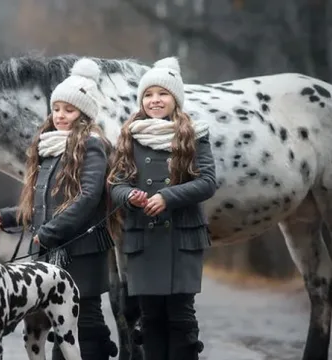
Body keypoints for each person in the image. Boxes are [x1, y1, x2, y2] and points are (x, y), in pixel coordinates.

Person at [0, 58, 118, 360]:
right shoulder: (49, 147)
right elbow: (44, 203)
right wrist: (8, 216)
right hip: (53, 247)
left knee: (84, 316)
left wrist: (51, 232)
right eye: (56, 108)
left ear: (83, 114)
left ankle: (96, 350)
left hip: (82, 248)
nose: (60, 115)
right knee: (63, 318)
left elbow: (88, 197)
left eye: (69, 110)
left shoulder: (91, 145)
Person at [107, 57, 217, 360]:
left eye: (162, 93)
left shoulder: (194, 134)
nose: (155, 100)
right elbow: (116, 184)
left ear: (175, 99)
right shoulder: (129, 136)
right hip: (143, 238)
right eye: (148, 94)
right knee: (150, 317)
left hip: (181, 238)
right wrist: (129, 196)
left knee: (181, 318)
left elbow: (208, 182)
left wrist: (168, 197)